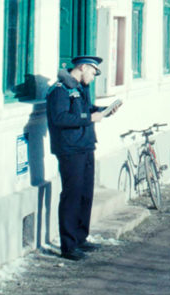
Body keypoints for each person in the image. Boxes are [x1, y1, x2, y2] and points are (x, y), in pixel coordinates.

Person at [47, 55, 119, 261]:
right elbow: (59, 118)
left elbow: (84, 110)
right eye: (93, 72)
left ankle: (80, 237)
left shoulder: (80, 89)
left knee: (86, 194)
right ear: (83, 67)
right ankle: (68, 246)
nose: (94, 77)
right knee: (72, 195)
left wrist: (102, 111)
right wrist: (89, 117)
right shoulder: (60, 90)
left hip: (85, 145)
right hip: (70, 149)